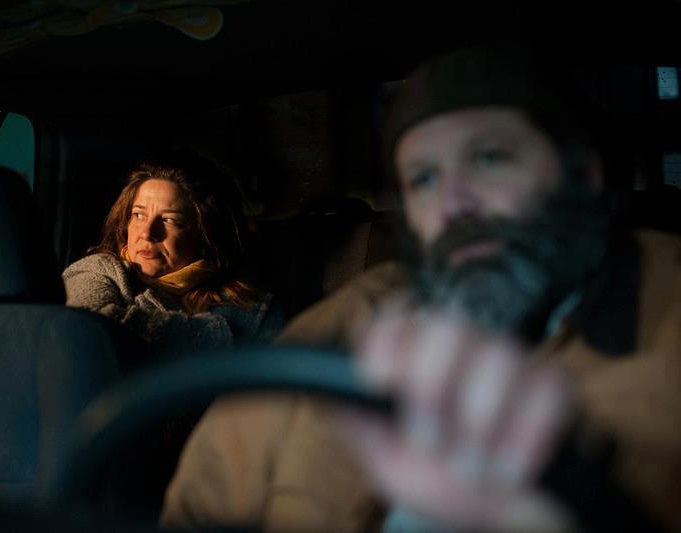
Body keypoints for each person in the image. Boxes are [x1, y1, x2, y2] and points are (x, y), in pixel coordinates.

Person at [160, 46, 681, 531]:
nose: (454, 205)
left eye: (489, 158)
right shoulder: (351, 317)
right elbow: (199, 507)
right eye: (424, 179)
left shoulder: (668, 308)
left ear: (581, 174)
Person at [63, 150, 284, 364]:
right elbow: (90, 332)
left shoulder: (249, 306)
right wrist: (221, 336)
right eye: (138, 215)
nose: (147, 233)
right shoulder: (97, 270)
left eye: (170, 220)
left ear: (205, 233)